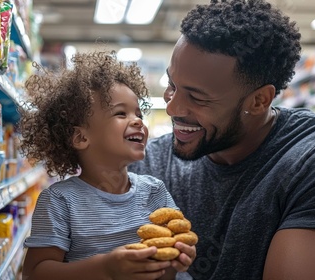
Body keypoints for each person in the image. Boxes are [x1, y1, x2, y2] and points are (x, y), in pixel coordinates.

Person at [128, 0, 315, 279]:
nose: (173, 108)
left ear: (260, 100)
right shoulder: (149, 162)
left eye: (197, 98)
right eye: (171, 86)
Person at [18, 50, 196, 280]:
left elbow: (170, 263)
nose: (138, 121)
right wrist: (106, 268)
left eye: (138, 113)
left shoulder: (154, 191)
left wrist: (178, 257)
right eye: (120, 113)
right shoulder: (61, 201)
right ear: (81, 138)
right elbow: (35, 273)